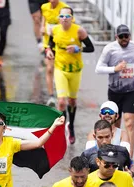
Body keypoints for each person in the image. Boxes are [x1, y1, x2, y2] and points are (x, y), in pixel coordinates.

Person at [46, 7, 94, 144]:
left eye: (67, 17)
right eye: (62, 16)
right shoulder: (54, 30)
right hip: (60, 69)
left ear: (72, 18)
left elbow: (91, 48)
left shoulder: (79, 30)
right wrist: (49, 51)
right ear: (59, 18)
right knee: (61, 102)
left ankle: (71, 126)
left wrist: (78, 49)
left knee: (72, 101)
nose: (64, 19)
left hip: (75, 71)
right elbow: (51, 44)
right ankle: (62, 129)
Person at [95, 24, 134, 158]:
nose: (124, 39)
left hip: (131, 91)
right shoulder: (109, 49)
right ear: (116, 37)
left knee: (129, 122)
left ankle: (129, 158)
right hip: (115, 91)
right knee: (115, 124)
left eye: (126, 36)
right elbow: (98, 68)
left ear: (130, 36)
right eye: (121, 37)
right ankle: (115, 154)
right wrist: (114, 69)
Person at [41, 0, 68, 107]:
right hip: (48, 43)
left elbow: (70, 25)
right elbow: (44, 22)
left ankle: (62, 93)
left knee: (61, 69)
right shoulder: (44, 7)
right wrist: (42, 28)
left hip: (61, 44)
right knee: (49, 68)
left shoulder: (64, 8)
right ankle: (51, 96)